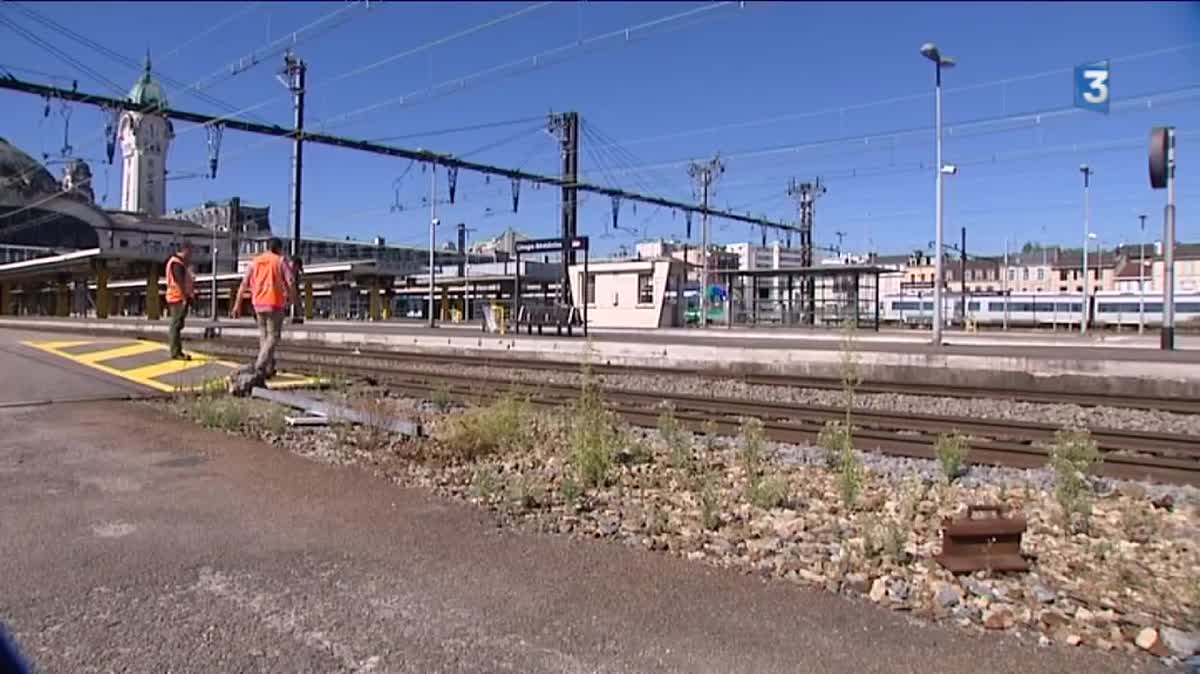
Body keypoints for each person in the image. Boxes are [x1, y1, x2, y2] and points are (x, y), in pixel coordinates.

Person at [231, 238, 297, 378]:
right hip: (274, 303)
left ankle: (268, 368)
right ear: (279, 248)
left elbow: (244, 284)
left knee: (264, 336)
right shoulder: (280, 260)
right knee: (273, 336)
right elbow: (290, 281)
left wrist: (237, 304)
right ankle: (259, 365)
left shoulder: (255, 262)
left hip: (258, 304)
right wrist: (293, 299)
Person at [165, 241, 196, 360]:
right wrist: (184, 297)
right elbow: (179, 282)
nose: (191, 254)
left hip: (178, 297)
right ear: (185, 250)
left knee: (178, 325)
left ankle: (177, 351)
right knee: (176, 325)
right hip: (177, 297)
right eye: (191, 251)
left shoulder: (179, 263)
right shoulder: (176, 263)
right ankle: (176, 352)